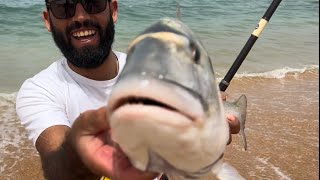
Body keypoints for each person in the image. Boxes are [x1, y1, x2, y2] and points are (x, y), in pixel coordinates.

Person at [16, 0, 240, 179]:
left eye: (93, 3)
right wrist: (81, 147)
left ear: (113, 10)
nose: (81, 17)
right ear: (48, 20)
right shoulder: (39, 89)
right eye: (63, 7)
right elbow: (59, 167)